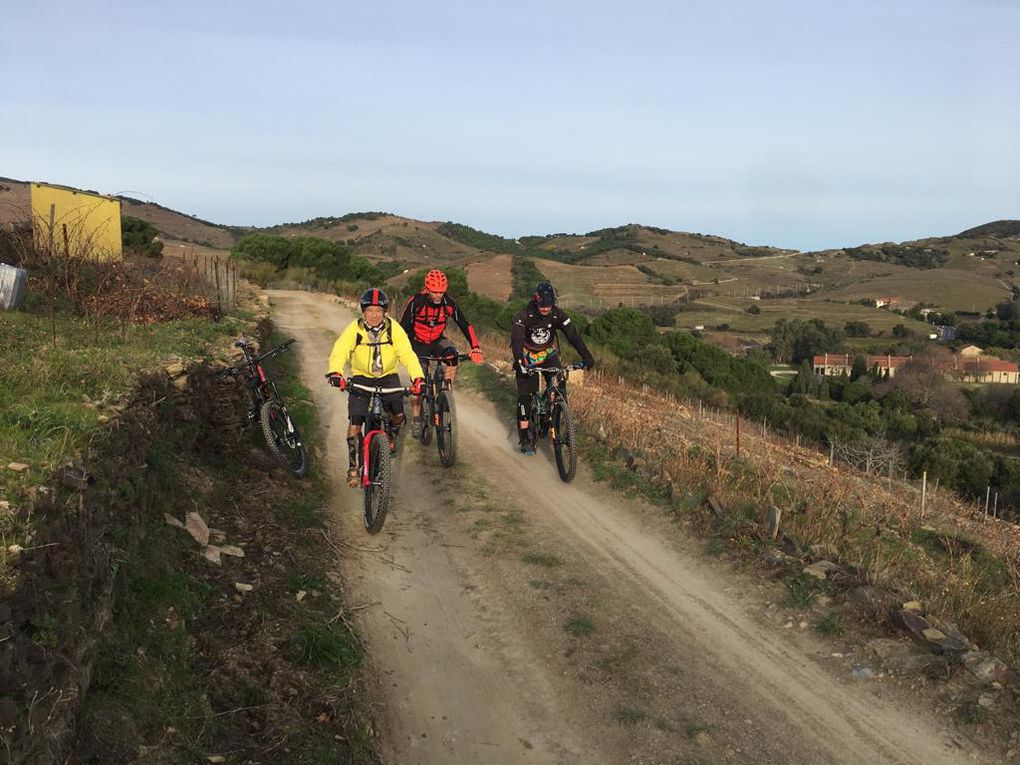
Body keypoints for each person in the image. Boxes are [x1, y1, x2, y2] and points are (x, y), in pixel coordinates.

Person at [327, 288, 425, 487]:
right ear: (363, 312)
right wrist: (335, 372)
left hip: (388, 377)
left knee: (398, 413)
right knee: (356, 421)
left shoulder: (393, 329)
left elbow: (407, 354)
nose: (374, 315)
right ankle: (353, 466)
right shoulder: (354, 329)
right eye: (370, 310)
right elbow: (340, 351)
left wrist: (418, 378)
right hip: (362, 378)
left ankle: (390, 435)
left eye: (378, 311)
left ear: (385, 312)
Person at [510, 281, 594, 455]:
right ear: (536, 301)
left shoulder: (557, 315)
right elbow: (517, 341)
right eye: (542, 306)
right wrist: (519, 363)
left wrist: (586, 356)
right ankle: (525, 437)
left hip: (547, 354)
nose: (546, 309)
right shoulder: (524, 315)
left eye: (549, 306)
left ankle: (557, 416)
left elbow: (573, 335)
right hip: (527, 356)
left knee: (559, 382)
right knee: (526, 395)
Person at [399, 269, 484, 438]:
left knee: (453, 355)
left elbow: (465, 325)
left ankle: (446, 394)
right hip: (417, 343)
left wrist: (475, 346)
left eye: (441, 292)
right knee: (418, 383)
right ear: (427, 289)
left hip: (437, 340)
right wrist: (402, 350)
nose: (438, 295)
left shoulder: (449, 303)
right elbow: (402, 329)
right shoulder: (416, 302)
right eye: (435, 292)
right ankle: (417, 418)